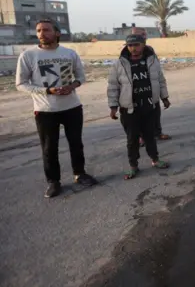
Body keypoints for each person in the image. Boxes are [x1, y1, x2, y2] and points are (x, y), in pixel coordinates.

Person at [15, 19, 98, 198]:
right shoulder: (28, 56)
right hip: (45, 110)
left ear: (57, 33)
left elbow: (81, 77)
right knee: (49, 147)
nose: (41, 34)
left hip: (72, 107)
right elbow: (21, 84)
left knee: (76, 143)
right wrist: (47, 91)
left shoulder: (69, 53)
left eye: (46, 30)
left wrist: (72, 86)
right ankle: (53, 182)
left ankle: (80, 174)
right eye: (38, 31)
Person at [107, 34, 171, 179]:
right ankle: (133, 166)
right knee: (132, 139)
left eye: (136, 45)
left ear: (143, 44)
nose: (133, 48)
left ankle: (155, 160)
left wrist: (164, 97)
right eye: (130, 45)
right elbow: (113, 86)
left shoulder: (152, 60)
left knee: (150, 136)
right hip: (130, 110)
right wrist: (113, 106)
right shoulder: (120, 64)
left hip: (149, 107)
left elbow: (160, 80)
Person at [130, 27, 171, 144]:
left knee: (155, 111)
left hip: (152, 88)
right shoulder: (127, 52)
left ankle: (158, 132)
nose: (145, 37)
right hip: (137, 91)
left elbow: (158, 71)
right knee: (138, 116)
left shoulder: (150, 50)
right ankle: (141, 137)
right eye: (142, 35)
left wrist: (164, 96)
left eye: (145, 35)